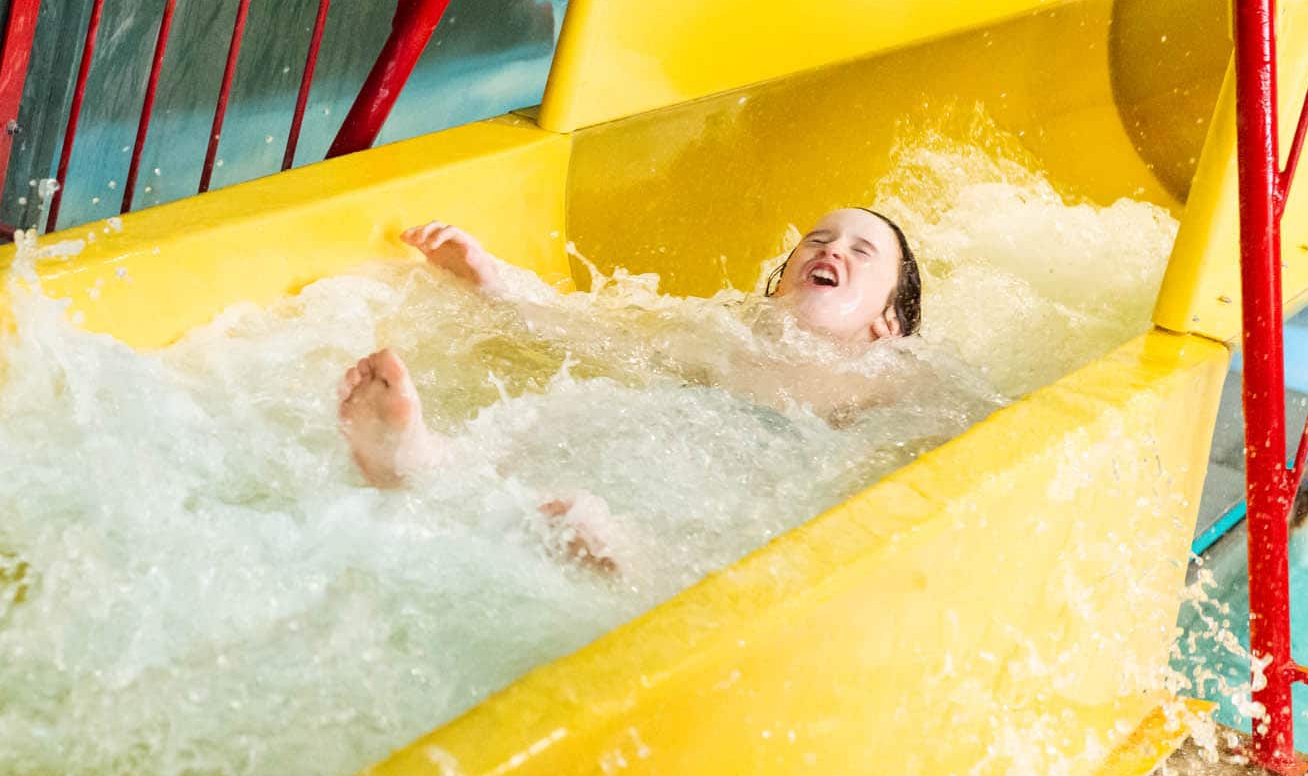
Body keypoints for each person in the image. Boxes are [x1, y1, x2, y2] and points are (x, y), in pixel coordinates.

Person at [336, 209, 925, 568]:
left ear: (887, 322)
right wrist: (492, 282)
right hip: (653, 427)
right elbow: (601, 337)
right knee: (571, 409)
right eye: (818, 240)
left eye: (859, 250)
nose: (829, 250)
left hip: (751, 478)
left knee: (731, 528)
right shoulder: (720, 332)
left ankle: (633, 557)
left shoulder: (893, 378)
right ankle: (424, 459)